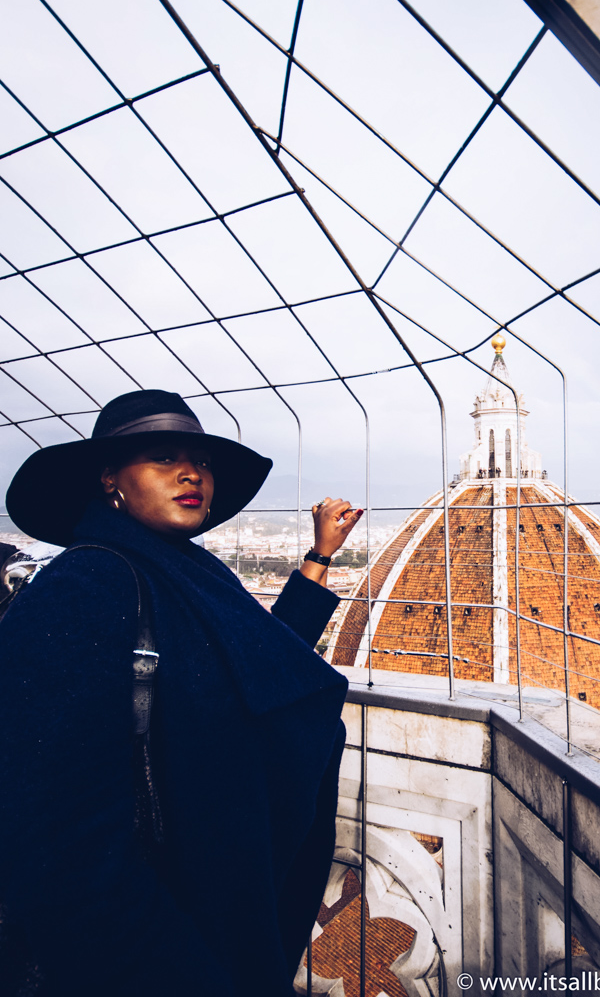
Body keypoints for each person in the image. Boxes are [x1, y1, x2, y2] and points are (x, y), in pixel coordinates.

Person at [0, 389, 362, 997]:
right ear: (109, 478)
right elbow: (71, 851)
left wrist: (320, 555)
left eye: (202, 461)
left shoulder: (185, 572)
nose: (192, 473)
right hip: (160, 951)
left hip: (210, 917)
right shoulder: (84, 587)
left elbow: (258, 663)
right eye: (162, 457)